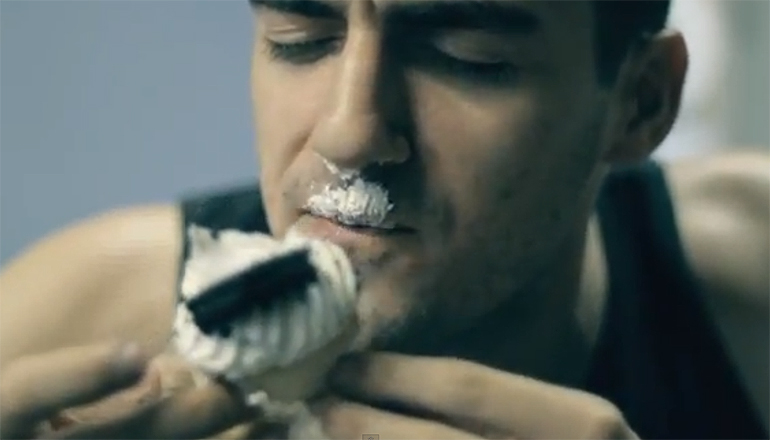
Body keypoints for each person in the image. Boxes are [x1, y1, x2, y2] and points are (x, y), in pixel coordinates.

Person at [1, 1, 767, 438]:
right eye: (300, 40)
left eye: (468, 57)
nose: (348, 133)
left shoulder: (752, 283)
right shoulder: (76, 324)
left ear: (641, 102)